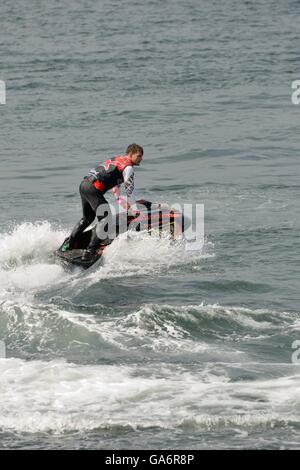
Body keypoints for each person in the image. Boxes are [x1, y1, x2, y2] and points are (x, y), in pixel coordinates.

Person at [62, 143, 143, 261]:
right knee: (106, 218)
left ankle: (69, 244)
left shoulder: (118, 161)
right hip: (93, 188)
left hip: (84, 185)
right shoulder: (128, 168)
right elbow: (130, 191)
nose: (141, 159)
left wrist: (120, 201)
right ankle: (91, 251)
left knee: (88, 218)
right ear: (130, 154)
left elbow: (116, 188)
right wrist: (135, 210)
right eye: (138, 156)